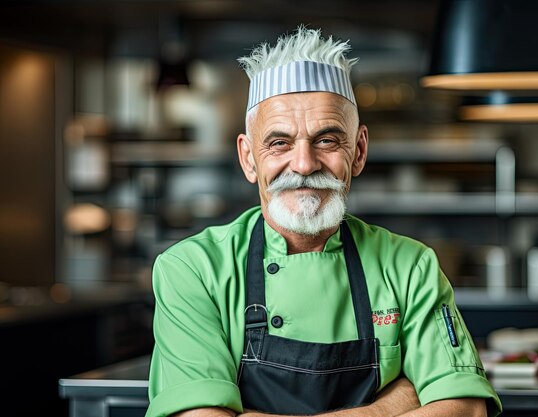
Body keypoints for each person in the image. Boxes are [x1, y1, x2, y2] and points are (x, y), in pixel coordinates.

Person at [146, 27, 502, 417]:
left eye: (327, 140)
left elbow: (465, 409)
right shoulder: (193, 269)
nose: (303, 164)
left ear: (359, 151)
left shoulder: (410, 266)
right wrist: (392, 403)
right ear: (249, 158)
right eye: (279, 142)